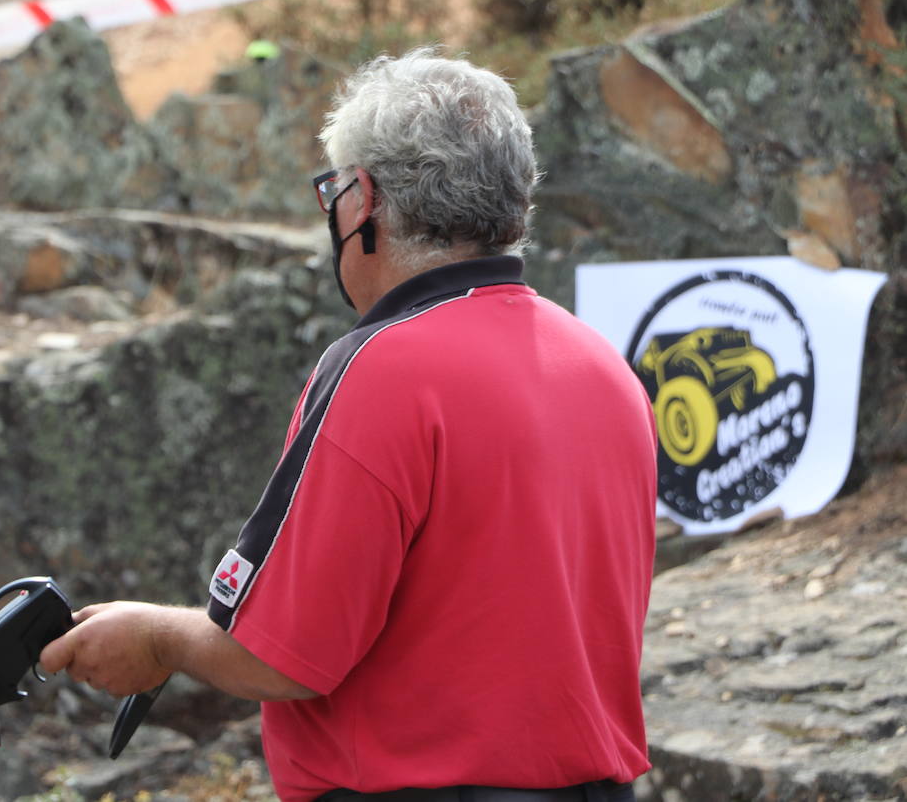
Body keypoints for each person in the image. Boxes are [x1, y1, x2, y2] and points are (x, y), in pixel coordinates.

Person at [40, 48, 657, 802]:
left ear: (360, 198)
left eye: (333, 191)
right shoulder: (602, 365)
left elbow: (283, 656)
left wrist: (156, 638)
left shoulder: (384, 370)